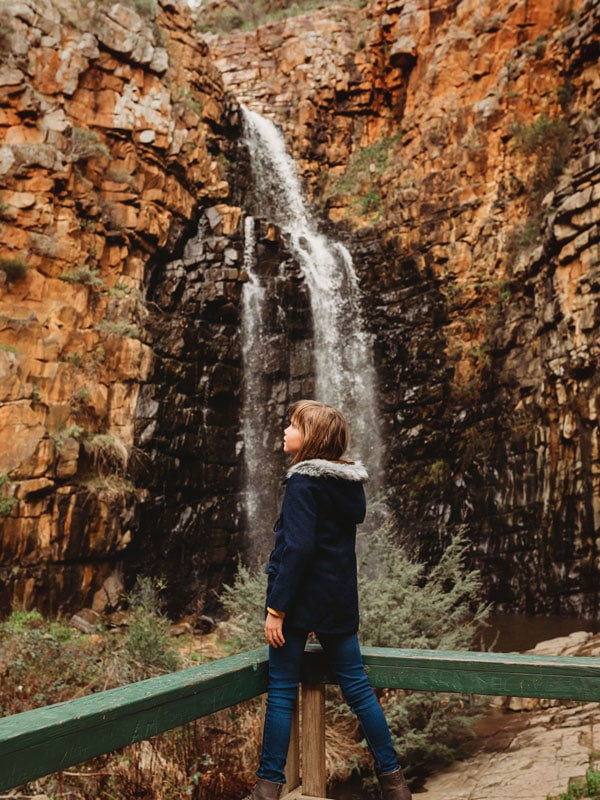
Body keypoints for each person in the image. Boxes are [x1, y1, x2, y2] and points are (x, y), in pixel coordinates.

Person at [244, 400, 411, 800]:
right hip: (337, 601)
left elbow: (298, 549)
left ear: (311, 437)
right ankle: (394, 783)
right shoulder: (347, 485)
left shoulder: (303, 481)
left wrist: (276, 609)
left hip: (298, 603)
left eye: (293, 425)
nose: (285, 431)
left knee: (282, 690)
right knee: (358, 689)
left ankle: (267, 788)